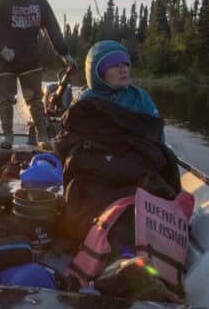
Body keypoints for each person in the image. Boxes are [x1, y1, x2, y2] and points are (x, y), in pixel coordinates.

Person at [55, 40, 180, 240]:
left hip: (135, 167)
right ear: (96, 72)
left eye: (125, 63)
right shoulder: (85, 104)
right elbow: (71, 146)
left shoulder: (141, 99)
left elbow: (156, 140)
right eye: (113, 64)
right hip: (101, 171)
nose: (123, 69)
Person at [0, 0, 75, 150]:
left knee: (34, 100)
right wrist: (1, 49)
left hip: (30, 60)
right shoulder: (1, 0)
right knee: (4, 99)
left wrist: (64, 54)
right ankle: (7, 135)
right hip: (5, 59)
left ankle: (42, 135)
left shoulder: (39, 1)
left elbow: (53, 29)